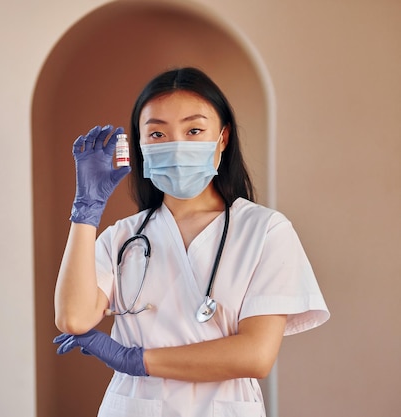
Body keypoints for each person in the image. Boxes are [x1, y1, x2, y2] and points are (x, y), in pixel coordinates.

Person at [53, 67, 329, 417]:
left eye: (194, 130)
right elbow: (73, 318)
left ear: (223, 138)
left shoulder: (265, 230)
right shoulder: (122, 237)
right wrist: (85, 211)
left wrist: (136, 361)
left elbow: (256, 355)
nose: (176, 146)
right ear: (140, 144)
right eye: (157, 134)